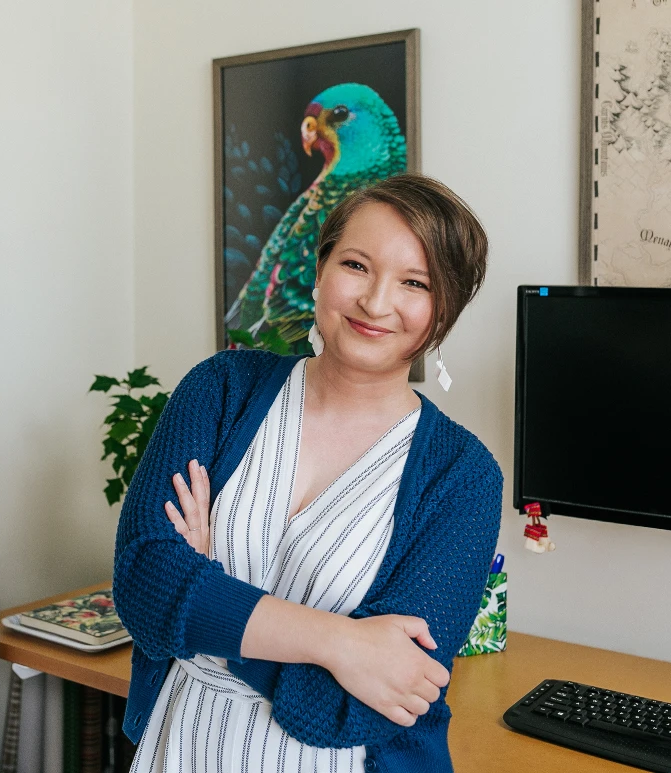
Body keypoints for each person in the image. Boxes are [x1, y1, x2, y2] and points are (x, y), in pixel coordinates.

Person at [113, 173, 503, 772]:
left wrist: (205, 604)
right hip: (180, 747)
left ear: (442, 310)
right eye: (355, 265)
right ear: (319, 271)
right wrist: (343, 644)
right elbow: (145, 586)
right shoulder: (220, 391)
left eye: (414, 283)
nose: (375, 302)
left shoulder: (462, 477)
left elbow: (351, 709)